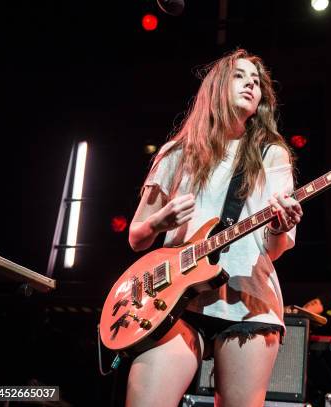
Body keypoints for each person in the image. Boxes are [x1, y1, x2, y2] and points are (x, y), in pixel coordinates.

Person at [126, 49, 302, 407]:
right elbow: (136, 238)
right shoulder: (177, 153)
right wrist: (160, 222)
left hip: (248, 301)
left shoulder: (272, 155)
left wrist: (281, 227)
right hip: (174, 300)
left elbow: (275, 248)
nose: (251, 84)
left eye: (256, 81)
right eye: (240, 76)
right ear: (217, 86)